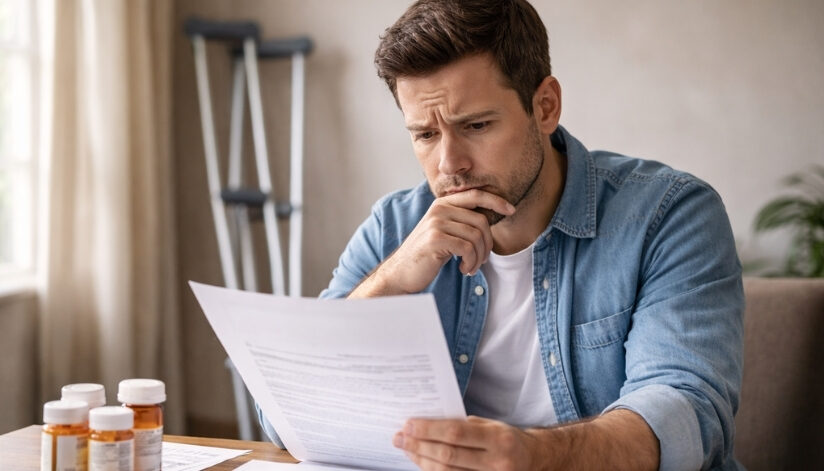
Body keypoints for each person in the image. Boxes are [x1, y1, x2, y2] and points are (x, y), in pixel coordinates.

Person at [261, 0, 744, 469]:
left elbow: (687, 414)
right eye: (425, 135)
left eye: (476, 125)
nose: (450, 164)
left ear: (545, 106)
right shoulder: (395, 227)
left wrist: (537, 457)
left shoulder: (668, 215)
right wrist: (387, 285)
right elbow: (285, 417)